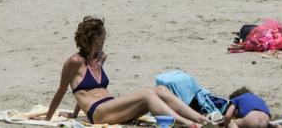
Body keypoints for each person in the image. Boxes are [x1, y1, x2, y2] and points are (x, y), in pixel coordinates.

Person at [34, 17, 209, 126]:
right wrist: (47, 119)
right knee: (148, 94)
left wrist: (74, 114)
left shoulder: (100, 57)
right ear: (95, 38)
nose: (105, 38)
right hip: (99, 113)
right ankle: (188, 123)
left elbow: (84, 91)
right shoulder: (74, 61)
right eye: (103, 35)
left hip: (112, 107)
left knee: (161, 91)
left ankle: (202, 120)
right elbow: (63, 90)